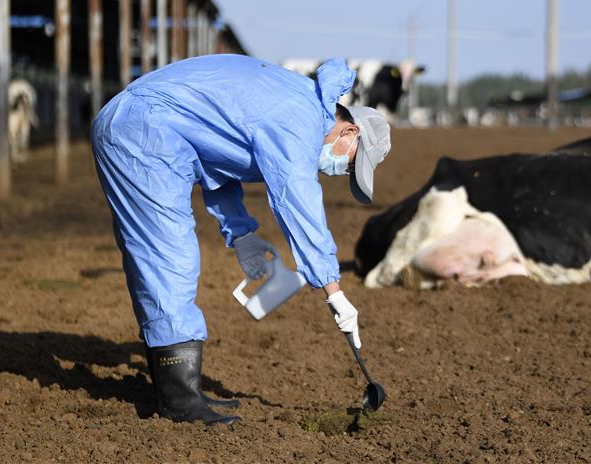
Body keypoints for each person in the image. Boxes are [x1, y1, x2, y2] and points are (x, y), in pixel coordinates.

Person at [91, 55, 391, 425]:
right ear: (349, 133)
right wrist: (334, 291)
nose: (337, 171)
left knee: (171, 253)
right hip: (142, 128)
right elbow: (298, 201)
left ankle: (181, 391)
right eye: (348, 165)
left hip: (161, 130)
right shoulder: (301, 118)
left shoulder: (294, 105)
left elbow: (218, 162)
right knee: (169, 254)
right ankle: (179, 401)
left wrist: (243, 235)